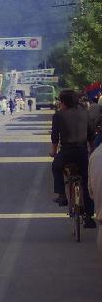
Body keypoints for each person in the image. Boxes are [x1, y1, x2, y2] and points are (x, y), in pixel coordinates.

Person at [50, 90, 96, 228]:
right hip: (82, 152)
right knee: (86, 182)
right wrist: (91, 149)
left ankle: (62, 195)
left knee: (56, 166)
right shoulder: (85, 113)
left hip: (66, 152)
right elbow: (91, 134)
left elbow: (55, 136)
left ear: (63, 102)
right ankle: (89, 216)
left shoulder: (59, 115)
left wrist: (53, 151)